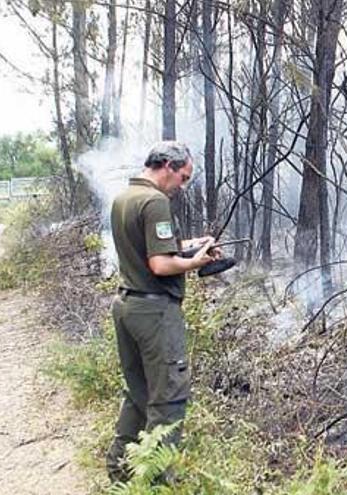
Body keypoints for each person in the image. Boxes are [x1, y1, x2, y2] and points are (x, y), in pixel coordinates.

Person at [105, 141, 219, 482]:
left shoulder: (125, 197)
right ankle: (156, 482)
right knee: (168, 398)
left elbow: (149, 249)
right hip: (154, 313)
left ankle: (121, 473)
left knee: (138, 393)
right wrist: (196, 262)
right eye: (182, 178)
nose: (181, 187)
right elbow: (159, 264)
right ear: (168, 166)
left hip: (127, 306)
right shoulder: (155, 201)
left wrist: (191, 246)